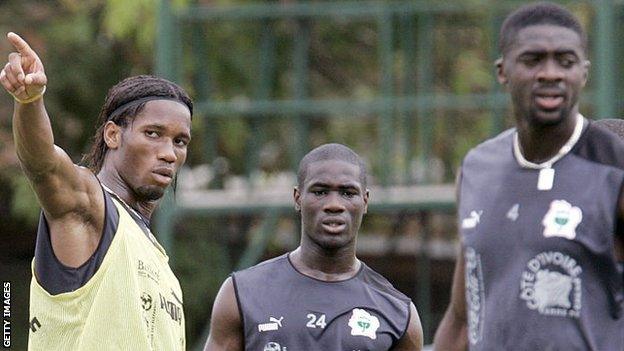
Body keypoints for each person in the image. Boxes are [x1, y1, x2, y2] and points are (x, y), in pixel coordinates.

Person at [433, 2, 624, 350]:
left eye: (565, 61)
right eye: (533, 60)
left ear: (583, 72)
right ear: (503, 70)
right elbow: (463, 317)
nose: (550, 73)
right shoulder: (477, 168)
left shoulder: (614, 168)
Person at [1, 32, 192, 350]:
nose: (169, 153)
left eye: (179, 141)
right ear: (113, 135)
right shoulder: (91, 209)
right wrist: (30, 101)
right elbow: (45, 166)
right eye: (153, 133)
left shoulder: (162, 265)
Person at [204, 143, 423, 351]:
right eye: (320, 191)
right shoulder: (242, 293)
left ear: (365, 202)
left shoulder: (398, 313)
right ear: (298, 198)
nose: (334, 205)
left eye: (348, 193)